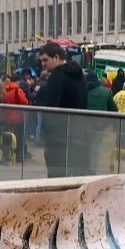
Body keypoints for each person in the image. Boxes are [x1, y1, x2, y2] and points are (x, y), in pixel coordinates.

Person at [34, 40, 90, 178]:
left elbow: (51, 110)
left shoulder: (56, 77)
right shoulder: (80, 75)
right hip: (79, 136)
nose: (43, 64)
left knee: (56, 179)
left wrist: (47, 137)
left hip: (59, 139)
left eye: (45, 60)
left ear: (57, 58)